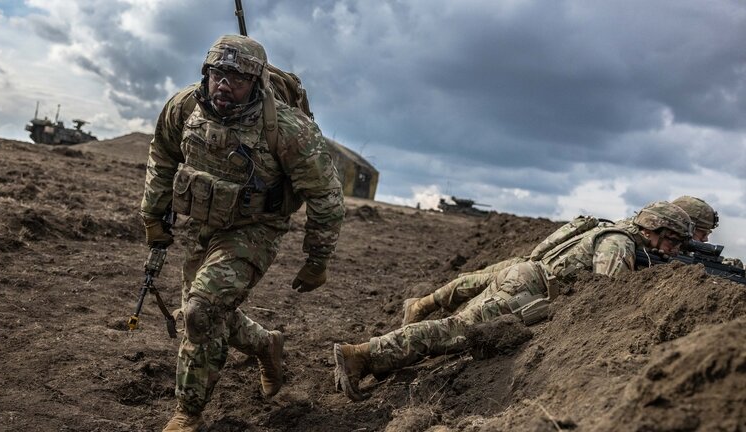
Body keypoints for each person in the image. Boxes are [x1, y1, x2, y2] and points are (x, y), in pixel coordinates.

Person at [139, 34, 345, 431]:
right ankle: (266, 344)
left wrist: (317, 260)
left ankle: (187, 414)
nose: (223, 85)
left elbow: (326, 196)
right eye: (217, 74)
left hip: (256, 230)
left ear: (257, 81)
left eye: (236, 77)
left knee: (200, 310)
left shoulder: (288, 129)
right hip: (204, 225)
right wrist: (153, 215)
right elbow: (162, 154)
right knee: (207, 315)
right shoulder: (184, 107)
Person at [333, 201, 692, 402]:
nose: (674, 251)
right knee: (457, 333)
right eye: (673, 242)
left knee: (455, 331)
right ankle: (362, 354)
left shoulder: (616, 231)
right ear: (656, 231)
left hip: (526, 279)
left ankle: (372, 359)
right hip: (526, 291)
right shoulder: (619, 244)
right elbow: (604, 293)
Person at [401, 195, 721, 326]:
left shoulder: (644, 227)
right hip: (539, 272)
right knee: (470, 305)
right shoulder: (631, 238)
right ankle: (423, 309)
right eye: (701, 233)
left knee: (474, 284)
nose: (703, 240)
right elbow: (610, 285)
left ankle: (424, 306)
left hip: (540, 263)